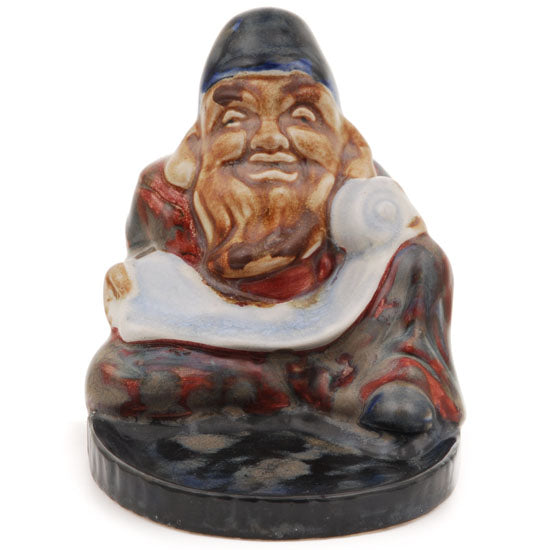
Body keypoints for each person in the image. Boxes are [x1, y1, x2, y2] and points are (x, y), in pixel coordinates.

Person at [87, 8, 463, 436]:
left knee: (419, 261)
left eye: (301, 116)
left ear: (347, 142)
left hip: (342, 347)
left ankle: (355, 382)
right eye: (235, 117)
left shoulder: (364, 191)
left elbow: (404, 273)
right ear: (196, 144)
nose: (269, 139)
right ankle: (303, 387)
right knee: (114, 380)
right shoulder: (164, 194)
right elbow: (145, 280)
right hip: (210, 343)